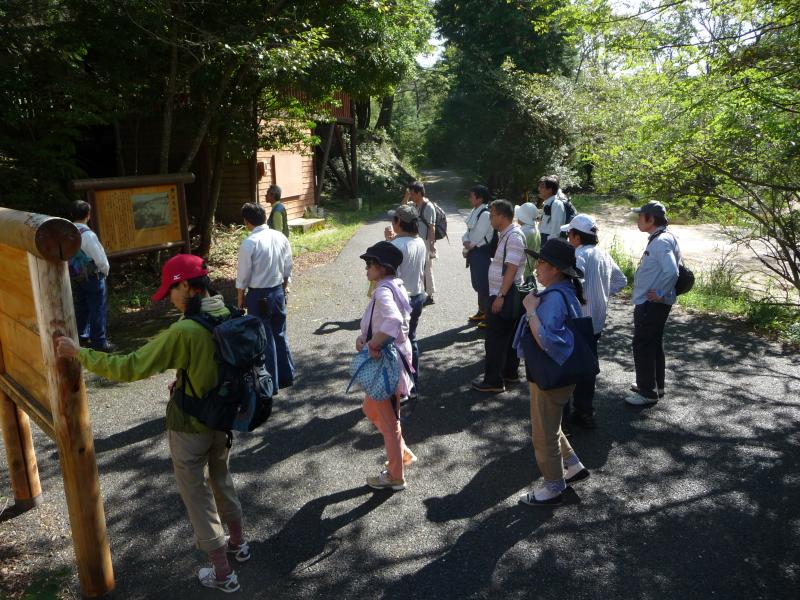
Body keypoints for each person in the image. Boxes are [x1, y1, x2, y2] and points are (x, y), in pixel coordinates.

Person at [55, 254, 249, 593]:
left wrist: (80, 353)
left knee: (197, 493)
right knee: (221, 477)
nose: (171, 300)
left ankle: (222, 573)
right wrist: (185, 377)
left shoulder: (185, 330)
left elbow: (130, 367)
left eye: (172, 291)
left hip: (190, 425)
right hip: (224, 420)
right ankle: (239, 544)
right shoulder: (229, 313)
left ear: (187, 286)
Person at [514, 238, 590, 505]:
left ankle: (553, 486)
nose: (537, 267)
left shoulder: (553, 298)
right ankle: (572, 464)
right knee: (551, 424)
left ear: (556, 269)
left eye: (542, 262)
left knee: (542, 433)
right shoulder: (566, 291)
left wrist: (531, 311)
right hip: (562, 374)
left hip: (549, 375)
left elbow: (548, 340)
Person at [356, 241, 417, 490]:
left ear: (382, 267)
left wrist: (374, 345)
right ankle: (401, 454)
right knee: (372, 409)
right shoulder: (394, 285)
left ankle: (395, 475)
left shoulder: (382, 291)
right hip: (396, 359)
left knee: (389, 422)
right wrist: (367, 337)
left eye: (370, 264)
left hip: (386, 364)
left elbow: (391, 321)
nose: (367, 268)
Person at [560, 214, 627, 428]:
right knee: (588, 366)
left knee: (569, 366)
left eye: (569, 233)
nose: (567, 237)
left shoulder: (578, 254)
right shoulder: (603, 254)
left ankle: (564, 415)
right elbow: (621, 280)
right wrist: (603, 294)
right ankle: (585, 411)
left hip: (578, 320)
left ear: (577, 237)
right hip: (596, 321)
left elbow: (574, 282)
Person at [626, 201, 681, 406]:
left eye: (641, 216)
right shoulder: (664, 238)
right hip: (655, 302)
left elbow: (672, 271)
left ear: (650, 219)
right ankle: (654, 385)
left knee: (643, 344)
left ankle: (647, 392)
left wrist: (659, 292)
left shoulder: (661, 242)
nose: (638, 220)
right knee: (653, 343)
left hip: (652, 303)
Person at [237, 202, 295, 390]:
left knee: (264, 338)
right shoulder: (279, 237)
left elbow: (243, 276)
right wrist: (285, 287)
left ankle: (271, 382)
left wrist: (240, 299)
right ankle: (287, 376)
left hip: (258, 295)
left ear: (247, 221)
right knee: (280, 333)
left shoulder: (249, 243)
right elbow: (288, 266)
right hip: (278, 291)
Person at [471, 200, 527, 393]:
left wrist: (500, 296)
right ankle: (509, 373)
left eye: (492, 214)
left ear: (502, 216)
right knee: (509, 336)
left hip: (506, 294)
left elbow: (511, 268)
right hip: (504, 292)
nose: (490, 217)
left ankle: (493, 381)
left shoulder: (513, 237)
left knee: (495, 339)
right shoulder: (506, 234)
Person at [384, 204, 427, 400]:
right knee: (411, 340)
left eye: (394, 219)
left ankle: (399, 388)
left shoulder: (395, 247)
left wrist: (388, 243)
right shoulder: (419, 242)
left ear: (399, 222)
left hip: (400, 300)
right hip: (417, 295)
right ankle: (413, 384)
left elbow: (390, 275)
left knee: (396, 344)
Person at [69, 200, 113, 351]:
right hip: (93, 277)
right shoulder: (87, 234)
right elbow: (100, 259)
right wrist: (105, 271)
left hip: (76, 276)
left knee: (82, 307)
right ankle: (99, 342)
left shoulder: (67, 232)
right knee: (97, 308)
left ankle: (82, 336)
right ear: (88, 215)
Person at [462, 185, 493, 328]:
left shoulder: (485, 214)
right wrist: (466, 241)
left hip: (481, 252)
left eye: (472, 196)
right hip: (474, 251)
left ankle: (488, 315)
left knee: (483, 284)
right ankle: (482, 311)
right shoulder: (476, 211)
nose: (469, 198)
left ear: (480, 198)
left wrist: (469, 243)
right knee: (477, 283)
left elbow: (477, 235)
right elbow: (467, 231)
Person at [407, 181, 437, 305]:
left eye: (413, 194)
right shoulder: (414, 205)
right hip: (416, 241)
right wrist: (406, 196)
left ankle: (429, 295)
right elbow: (401, 210)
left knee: (427, 268)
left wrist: (431, 246)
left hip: (425, 242)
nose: (411, 196)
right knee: (418, 267)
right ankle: (421, 293)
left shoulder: (428, 206)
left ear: (419, 193)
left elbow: (432, 227)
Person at [514, 202, 541, 279]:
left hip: (521, 271)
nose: (517, 217)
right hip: (530, 269)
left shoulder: (523, 232)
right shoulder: (536, 230)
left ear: (524, 217)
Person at [537, 175, 565, 245]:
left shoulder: (556, 204)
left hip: (549, 240)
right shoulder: (548, 203)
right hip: (544, 237)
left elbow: (556, 228)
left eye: (542, 187)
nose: (539, 189)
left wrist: (550, 245)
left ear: (550, 190)